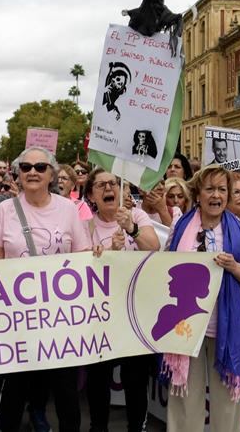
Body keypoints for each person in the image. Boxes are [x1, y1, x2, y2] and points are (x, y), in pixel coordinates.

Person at [0, 147, 92, 432]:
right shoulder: (6, 209)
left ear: (52, 174)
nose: (32, 171)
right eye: (26, 166)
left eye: (40, 167)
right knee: (16, 390)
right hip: (18, 320)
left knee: (65, 391)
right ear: (18, 173)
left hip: (60, 318)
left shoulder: (68, 209)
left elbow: (83, 257)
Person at [163, 165, 240, 432]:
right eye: (210, 189)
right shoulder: (180, 225)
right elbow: (162, 269)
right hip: (184, 328)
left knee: (226, 403)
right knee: (185, 398)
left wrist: (234, 267)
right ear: (198, 194)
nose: (216, 195)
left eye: (222, 189)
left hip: (224, 327)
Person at [82, 169, 159, 432]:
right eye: (101, 184)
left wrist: (131, 229)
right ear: (91, 194)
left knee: (135, 377)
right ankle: (98, 427)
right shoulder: (86, 227)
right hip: (99, 315)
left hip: (133, 311)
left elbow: (153, 246)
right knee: (98, 377)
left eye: (113, 183)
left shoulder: (136, 215)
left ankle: (137, 426)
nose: (108, 188)